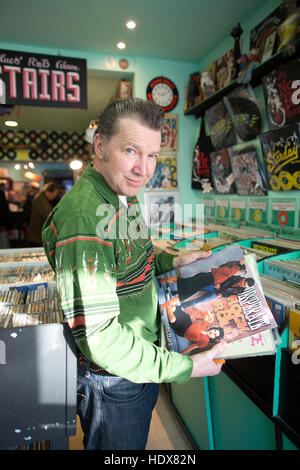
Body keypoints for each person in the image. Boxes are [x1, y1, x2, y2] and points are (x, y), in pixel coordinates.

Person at [42, 98, 227, 451]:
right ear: (100, 146)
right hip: (115, 380)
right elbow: (100, 339)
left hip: (138, 363)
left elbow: (130, 261)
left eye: (153, 156)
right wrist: (183, 367)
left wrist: (172, 263)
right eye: (131, 150)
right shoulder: (85, 219)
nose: (144, 169)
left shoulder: (121, 194)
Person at [28, 181, 60, 246]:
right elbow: (48, 217)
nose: (56, 196)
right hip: (38, 237)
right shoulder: (41, 201)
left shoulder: (42, 198)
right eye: (55, 193)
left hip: (38, 235)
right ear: (50, 191)